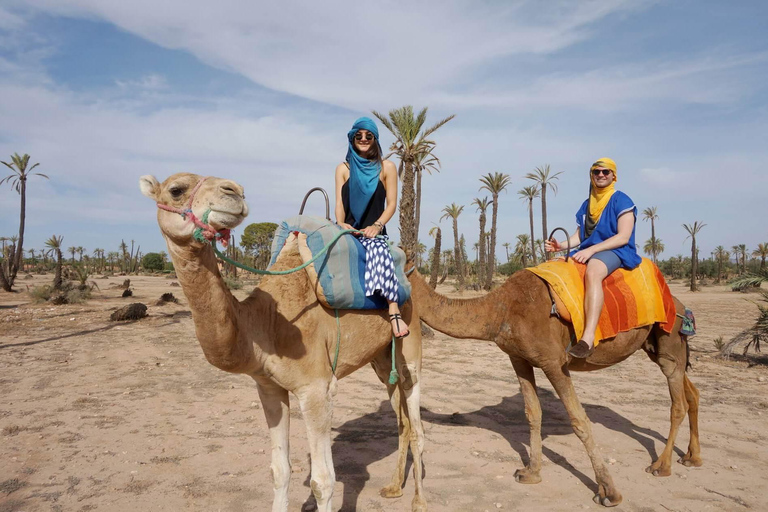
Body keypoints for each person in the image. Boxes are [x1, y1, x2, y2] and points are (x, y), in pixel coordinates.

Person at [544, 157, 641, 358]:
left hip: (616, 250)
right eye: (596, 172)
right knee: (554, 267)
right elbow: (580, 235)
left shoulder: (621, 200)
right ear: (591, 175)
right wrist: (560, 246)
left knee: (594, 271)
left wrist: (591, 250)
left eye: (606, 172)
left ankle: (588, 338)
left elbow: (623, 236)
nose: (601, 175)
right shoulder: (587, 204)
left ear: (614, 176)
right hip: (591, 249)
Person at [335, 117, 409, 338]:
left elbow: (392, 204)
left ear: (375, 139)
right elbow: (339, 202)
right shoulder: (343, 169)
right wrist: (340, 224)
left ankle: (393, 311)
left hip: (373, 231)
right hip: (348, 229)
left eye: (369, 136)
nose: (364, 139)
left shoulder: (387, 167)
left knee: (378, 249)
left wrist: (377, 226)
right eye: (359, 135)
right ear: (352, 138)